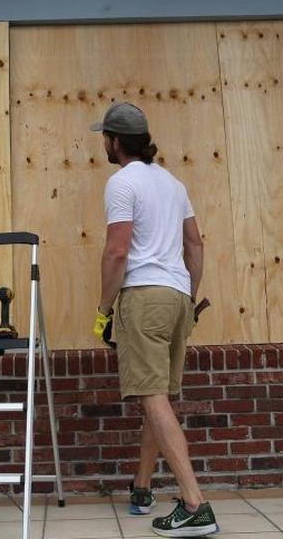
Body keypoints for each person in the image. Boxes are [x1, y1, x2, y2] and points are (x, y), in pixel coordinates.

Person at [91, 102, 218, 537]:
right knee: (158, 395)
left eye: (104, 137)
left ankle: (194, 503)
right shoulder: (172, 182)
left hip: (143, 297)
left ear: (115, 141)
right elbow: (196, 245)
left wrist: (104, 310)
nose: (103, 143)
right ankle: (143, 487)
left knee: (150, 396)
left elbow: (117, 251)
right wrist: (188, 294)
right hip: (179, 297)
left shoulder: (121, 182)